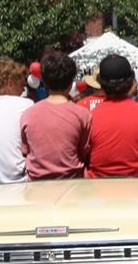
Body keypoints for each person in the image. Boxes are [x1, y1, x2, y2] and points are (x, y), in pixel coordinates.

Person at [20, 49, 90, 180]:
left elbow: (25, 151)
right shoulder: (83, 115)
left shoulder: (28, 114)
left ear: (44, 82)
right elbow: (84, 152)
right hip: (72, 185)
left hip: (37, 187)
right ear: (71, 83)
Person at [86, 53, 138, 178]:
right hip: (136, 189)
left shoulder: (90, 118)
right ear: (131, 82)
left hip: (97, 190)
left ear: (100, 83)